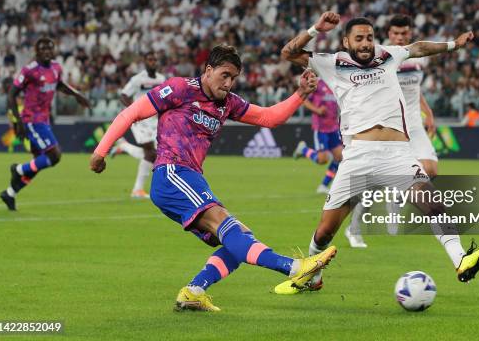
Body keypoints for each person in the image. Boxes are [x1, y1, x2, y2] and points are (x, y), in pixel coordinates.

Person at [89, 45, 337, 311]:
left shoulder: (227, 103)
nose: (229, 83)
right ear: (208, 70)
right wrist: (101, 151)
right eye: (224, 75)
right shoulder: (180, 89)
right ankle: (294, 268)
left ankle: (193, 292)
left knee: (238, 237)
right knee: (228, 227)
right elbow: (131, 113)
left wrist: (300, 94)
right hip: (172, 173)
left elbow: (268, 117)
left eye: (233, 78)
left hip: (191, 178)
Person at [274, 12, 479, 294]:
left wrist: (454, 45)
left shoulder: (388, 55)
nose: (366, 43)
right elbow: (288, 52)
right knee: (326, 230)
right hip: (357, 156)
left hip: (398, 154)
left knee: (432, 203)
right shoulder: (332, 63)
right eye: (359, 38)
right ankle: (310, 275)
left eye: (369, 37)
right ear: (346, 41)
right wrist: (316, 28)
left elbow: (420, 47)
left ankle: (461, 260)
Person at [347, 14, 440, 245]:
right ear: (388, 35)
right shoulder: (380, 58)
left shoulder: (418, 58)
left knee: (430, 169)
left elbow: (414, 89)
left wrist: (428, 112)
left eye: (404, 33)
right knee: (372, 183)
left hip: (413, 123)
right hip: (388, 125)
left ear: (410, 34)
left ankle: (395, 200)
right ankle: (354, 228)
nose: (399, 37)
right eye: (395, 34)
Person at [0, 37, 90, 211]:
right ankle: (17, 169)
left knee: (39, 163)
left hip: (44, 120)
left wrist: (77, 95)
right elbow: (11, 95)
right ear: (37, 51)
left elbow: (60, 85)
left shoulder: (56, 67)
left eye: (50, 48)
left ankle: (10, 193)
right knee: (54, 156)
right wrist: (17, 121)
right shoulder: (29, 70)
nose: (47, 51)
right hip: (31, 120)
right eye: (43, 49)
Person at [112, 51, 166, 198]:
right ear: (144, 62)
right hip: (139, 120)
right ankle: (137, 190)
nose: (153, 62)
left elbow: (164, 99)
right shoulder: (137, 79)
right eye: (150, 60)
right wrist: (134, 111)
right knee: (151, 153)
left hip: (154, 121)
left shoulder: (161, 79)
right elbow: (123, 95)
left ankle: (123, 147)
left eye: (155, 59)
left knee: (153, 154)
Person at [293, 78, 343, 195]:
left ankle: (323, 185)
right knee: (322, 160)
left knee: (340, 157)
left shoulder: (335, 82)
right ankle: (304, 150)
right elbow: (304, 100)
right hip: (321, 128)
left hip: (334, 127)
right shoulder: (317, 83)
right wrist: (317, 110)